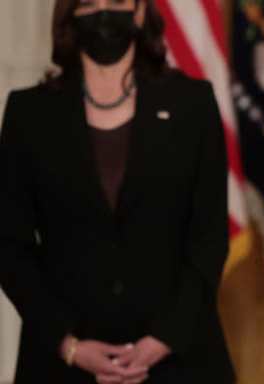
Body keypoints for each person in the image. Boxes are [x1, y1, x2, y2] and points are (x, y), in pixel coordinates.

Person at [0, 0, 234, 382]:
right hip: (62, 365)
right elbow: (10, 246)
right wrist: (69, 345)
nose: (105, 13)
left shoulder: (193, 104)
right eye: (90, 3)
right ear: (70, 13)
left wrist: (164, 338)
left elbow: (208, 239)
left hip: (181, 362)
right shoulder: (29, 114)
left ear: (141, 11)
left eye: (118, 1)